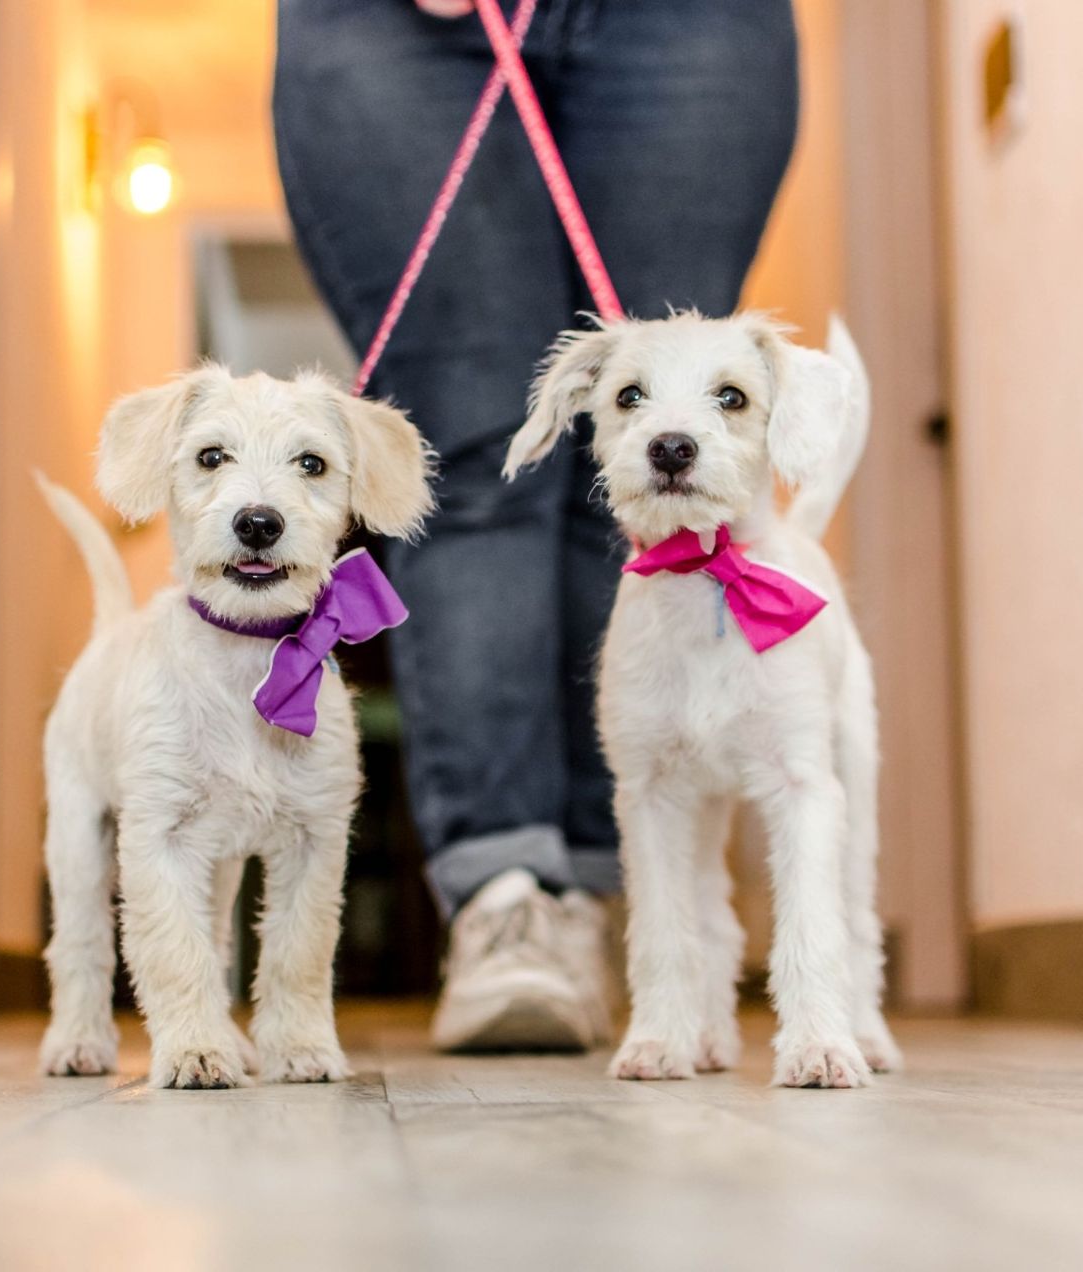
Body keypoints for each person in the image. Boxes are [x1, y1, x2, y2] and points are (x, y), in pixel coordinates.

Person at [273, 0, 801, 1051]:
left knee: (655, 454)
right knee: (476, 455)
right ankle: (506, 896)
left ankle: (606, 901)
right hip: (392, 27)